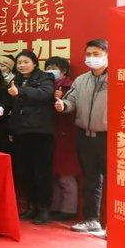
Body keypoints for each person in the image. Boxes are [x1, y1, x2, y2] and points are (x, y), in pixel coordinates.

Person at [55, 39, 109, 234]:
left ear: (107, 55)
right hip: (84, 136)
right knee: (91, 180)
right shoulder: (81, 80)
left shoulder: (120, 78)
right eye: (89, 54)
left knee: (115, 183)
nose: (91, 58)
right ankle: (91, 219)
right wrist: (64, 105)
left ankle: (117, 225)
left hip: (109, 138)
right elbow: (71, 101)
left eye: (96, 54)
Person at [8, 50, 56, 224]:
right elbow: (14, 107)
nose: (22, 65)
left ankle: (43, 209)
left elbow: (44, 94)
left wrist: (20, 91)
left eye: (26, 62)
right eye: (19, 63)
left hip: (40, 132)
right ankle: (31, 206)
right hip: (21, 132)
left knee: (41, 172)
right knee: (25, 171)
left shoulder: (46, 77)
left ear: (35, 63)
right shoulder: (17, 79)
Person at [46, 56, 79, 222]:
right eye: (48, 67)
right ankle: (55, 206)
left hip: (67, 135)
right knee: (54, 174)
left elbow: (74, 109)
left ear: (64, 71)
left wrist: (62, 99)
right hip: (51, 134)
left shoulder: (71, 86)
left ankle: (69, 209)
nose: (50, 71)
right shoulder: (46, 86)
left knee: (66, 175)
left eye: (54, 68)